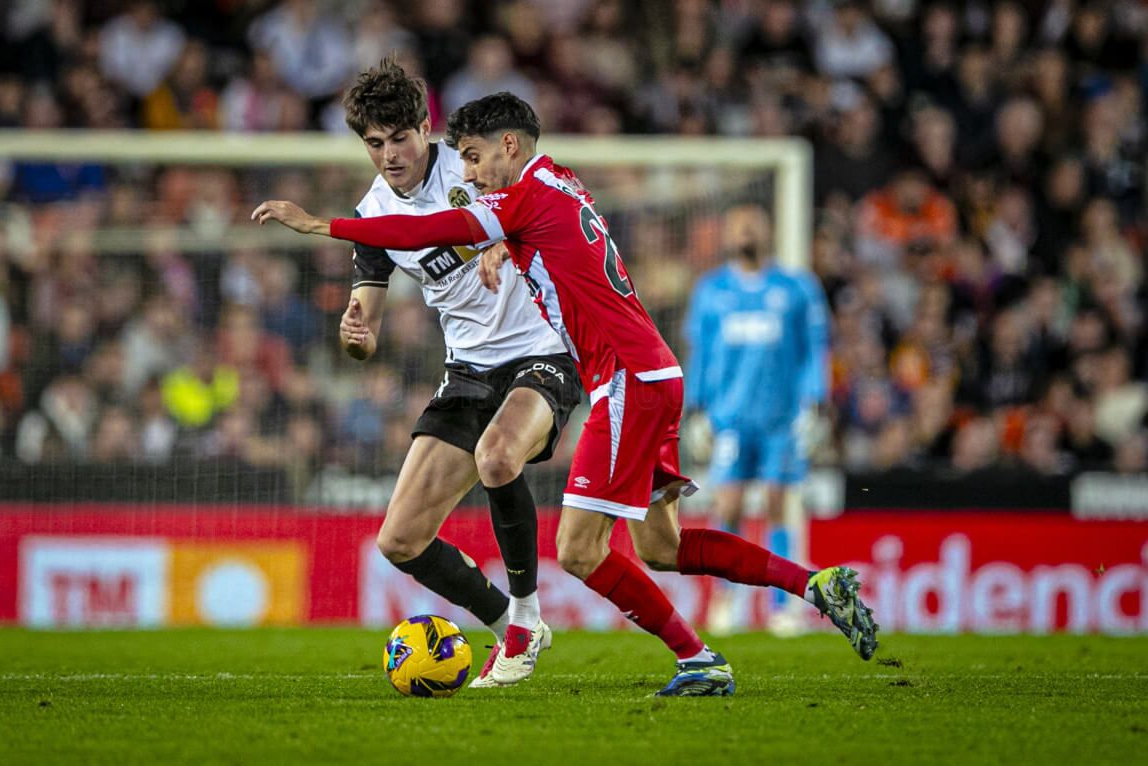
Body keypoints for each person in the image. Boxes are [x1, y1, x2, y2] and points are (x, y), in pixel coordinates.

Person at [253, 92, 877, 696]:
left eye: (473, 158)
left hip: (619, 377)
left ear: (505, 145)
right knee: (663, 547)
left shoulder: (518, 196)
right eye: (462, 160)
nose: (468, 171)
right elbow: (488, 233)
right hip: (643, 374)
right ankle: (816, 585)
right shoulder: (559, 180)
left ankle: (689, 655)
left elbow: (445, 225)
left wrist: (319, 224)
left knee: (577, 548)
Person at [269, 61, 584, 688]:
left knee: (499, 459)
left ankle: (524, 619)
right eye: (374, 143)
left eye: (400, 138)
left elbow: (527, 209)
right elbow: (367, 324)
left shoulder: (471, 167)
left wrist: (503, 240)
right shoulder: (374, 217)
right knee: (400, 541)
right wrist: (354, 335)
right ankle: (509, 621)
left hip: (542, 347)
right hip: (467, 369)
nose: (390, 155)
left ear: (424, 128)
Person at [684, 204, 831, 636]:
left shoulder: (797, 288)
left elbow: (813, 350)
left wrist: (815, 403)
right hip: (729, 418)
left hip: (780, 419)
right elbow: (701, 354)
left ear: (768, 231)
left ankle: (783, 605)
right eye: (739, 223)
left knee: (778, 504)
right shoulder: (711, 290)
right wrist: (695, 409)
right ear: (728, 234)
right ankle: (725, 601)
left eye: (754, 222)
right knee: (726, 503)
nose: (746, 229)